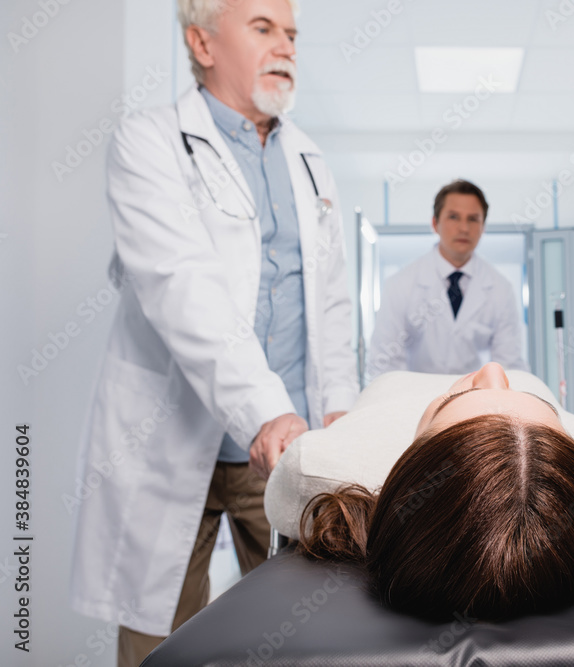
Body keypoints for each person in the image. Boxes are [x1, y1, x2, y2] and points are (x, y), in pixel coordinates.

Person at [68, 1, 358, 664]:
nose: (284, 45)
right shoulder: (149, 142)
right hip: (174, 436)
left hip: (286, 445)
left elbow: (332, 301)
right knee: (160, 641)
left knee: (298, 633)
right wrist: (266, 410)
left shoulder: (309, 159)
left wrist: (337, 404)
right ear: (202, 42)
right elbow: (183, 288)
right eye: (262, 28)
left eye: (290, 33)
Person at [264, 363, 574, 618]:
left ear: (408, 455)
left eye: (453, 401)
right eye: (541, 406)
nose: (494, 370)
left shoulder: (315, 466)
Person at [367, 179, 528, 380]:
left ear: (483, 226)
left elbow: (509, 364)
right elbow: (386, 364)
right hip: (414, 401)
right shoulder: (400, 284)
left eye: (473, 219)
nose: (464, 228)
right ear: (435, 223)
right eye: (453, 217)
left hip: (473, 401)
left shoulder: (500, 288)